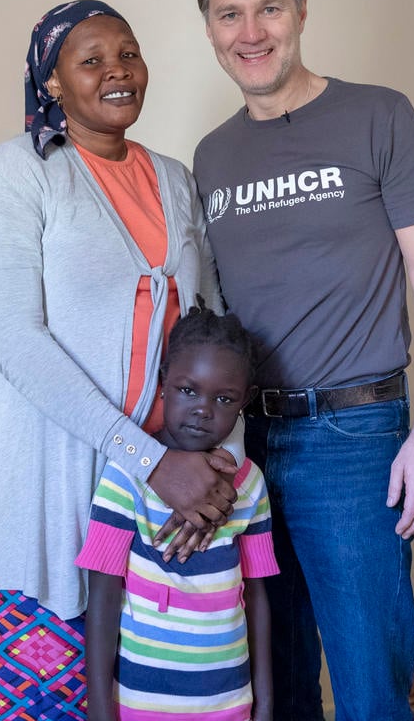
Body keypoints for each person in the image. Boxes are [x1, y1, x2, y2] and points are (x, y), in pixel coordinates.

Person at [192, 0, 414, 721]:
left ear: (302, 11)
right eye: (229, 14)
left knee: (370, 692)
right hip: (246, 449)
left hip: (356, 440)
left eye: (269, 8)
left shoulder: (379, 116)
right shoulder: (211, 158)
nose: (251, 31)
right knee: (274, 692)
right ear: (210, 30)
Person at [0, 0, 243, 721]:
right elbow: (17, 343)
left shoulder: (175, 179)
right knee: (47, 699)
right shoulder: (17, 175)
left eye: (129, 53)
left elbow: (213, 331)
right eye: (91, 61)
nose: (117, 71)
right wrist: (149, 460)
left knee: (162, 696)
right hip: (57, 486)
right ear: (52, 83)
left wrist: (219, 466)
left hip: (169, 495)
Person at [78, 300, 279, 721]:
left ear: (246, 401)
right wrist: (99, 709)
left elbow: (257, 596)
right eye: (189, 390)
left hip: (229, 702)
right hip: (143, 704)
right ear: (163, 383)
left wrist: (264, 701)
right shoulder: (125, 478)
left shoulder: (249, 483)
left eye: (224, 399)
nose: (203, 409)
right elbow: (102, 593)